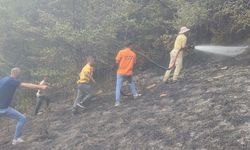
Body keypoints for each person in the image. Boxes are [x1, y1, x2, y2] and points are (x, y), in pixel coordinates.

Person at [0, 68, 48, 145]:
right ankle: (16, 139)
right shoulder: (12, 80)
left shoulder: (4, 79)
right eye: (19, 73)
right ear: (15, 73)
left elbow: (22, 86)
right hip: (3, 108)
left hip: (4, 108)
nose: (20, 75)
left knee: (22, 118)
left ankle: (17, 139)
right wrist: (40, 87)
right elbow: (26, 85)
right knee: (21, 118)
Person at [115, 42, 141, 106]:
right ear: (130, 45)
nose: (133, 47)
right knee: (131, 83)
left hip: (120, 72)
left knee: (118, 87)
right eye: (132, 46)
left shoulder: (121, 52)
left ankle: (117, 102)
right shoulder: (133, 54)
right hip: (128, 72)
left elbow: (117, 61)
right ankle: (135, 95)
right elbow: (134, 63)